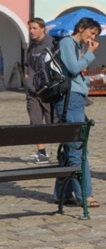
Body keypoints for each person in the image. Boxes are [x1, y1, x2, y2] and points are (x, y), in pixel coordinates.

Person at [52, 17, 101, 208]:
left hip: (74, 98)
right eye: (92, 32)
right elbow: (73, 68)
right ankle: (84, 195)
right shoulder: (67, 42)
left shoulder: (75, 45)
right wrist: (90, 54)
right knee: (77, 147)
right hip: (70, 100)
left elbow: (72, 75)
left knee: (69, 146)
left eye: (95, 34)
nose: (93, 37)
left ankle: (63, 193)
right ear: (81, 28)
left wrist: (90, 80)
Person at [24, 18, 57, 163]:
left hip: (47, 91)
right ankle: (42, 153)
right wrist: (27, 79)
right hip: (32, 92)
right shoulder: (32, 46)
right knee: (35, 122)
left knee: (54, 123)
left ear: (43, 28)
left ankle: (66, 151)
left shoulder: (52, 44)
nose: (31, 31)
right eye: (30, 28)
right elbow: (27, 65)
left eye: (34, 28)